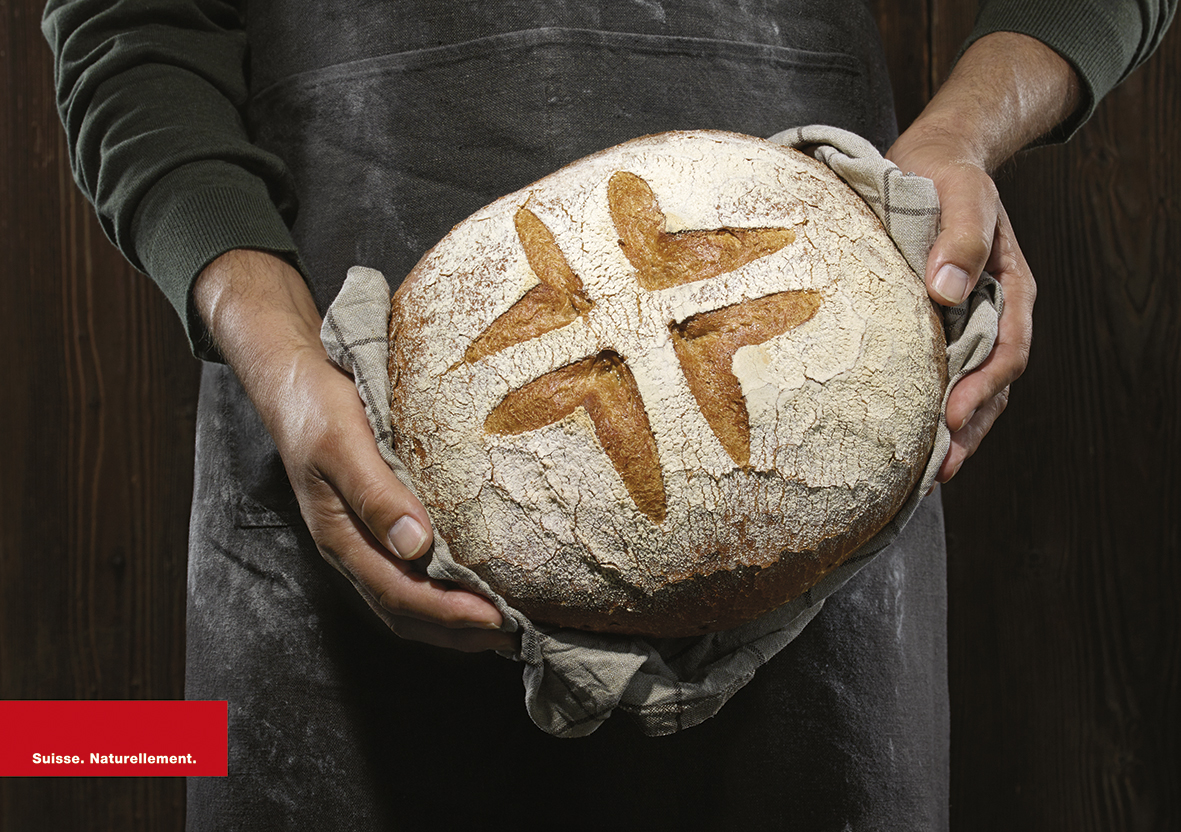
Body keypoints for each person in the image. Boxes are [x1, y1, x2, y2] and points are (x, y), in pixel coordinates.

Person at [42, 1, 1175, 829]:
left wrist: (959, 139)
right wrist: (278, 349)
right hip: (327, 430)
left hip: (814, 429)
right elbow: (127, 28)